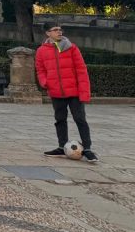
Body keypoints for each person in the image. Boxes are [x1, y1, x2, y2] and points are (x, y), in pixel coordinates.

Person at [36, 25, 97, 161]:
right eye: (55, 30)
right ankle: (62, 147)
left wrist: (84, 92)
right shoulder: (41, 51)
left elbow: (81, 70)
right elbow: (40, 69)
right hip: (56, 92)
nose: (59, 32)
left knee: (80, 119)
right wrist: (45, 82)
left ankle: (87, 149)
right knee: (60, 119)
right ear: (48, 33)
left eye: (60, 29)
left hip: (74, 92)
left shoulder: (72, 48)